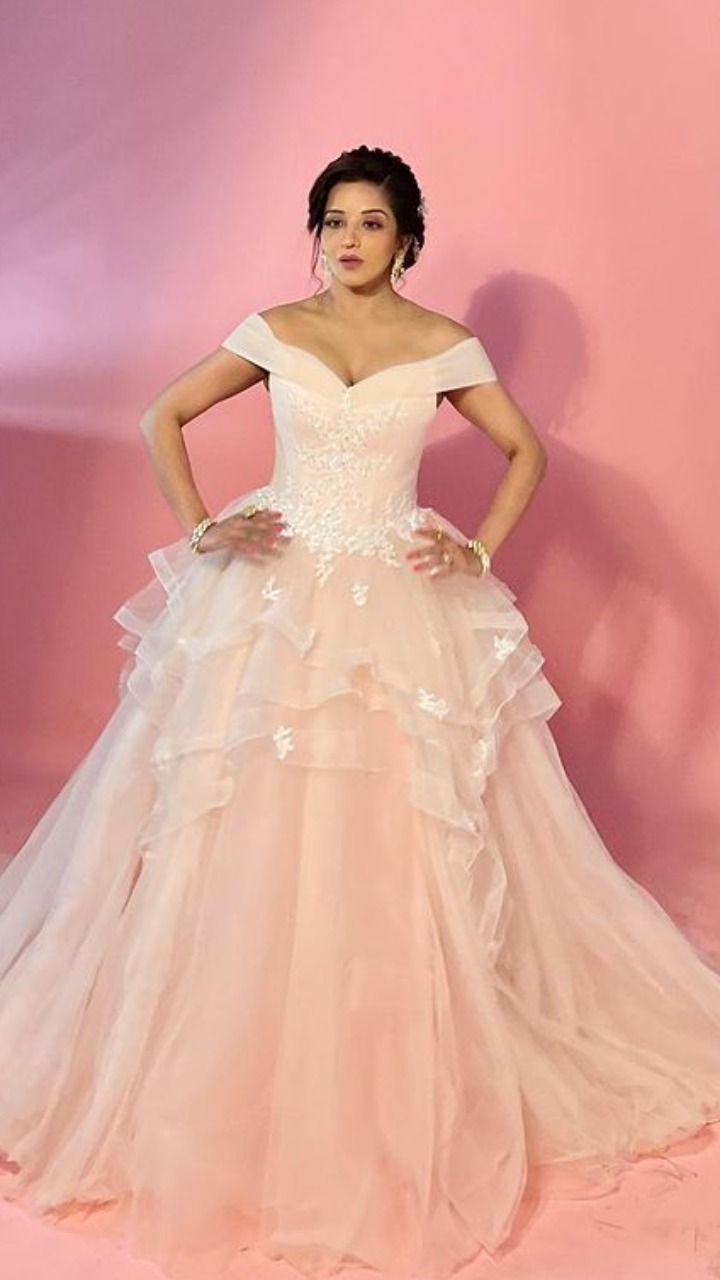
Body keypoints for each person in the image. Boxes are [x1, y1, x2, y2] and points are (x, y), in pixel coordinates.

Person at [1, 143, 720, 1280]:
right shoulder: (273, 330)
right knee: (223, 807)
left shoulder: (442, 345)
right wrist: (203, 527)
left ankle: (376, 1025)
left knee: (398, 821)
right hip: (271, 595)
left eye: (371, 223)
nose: (347, 239)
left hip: (395, 594)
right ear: (316, 232)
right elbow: (162, 416)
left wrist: (477, 547)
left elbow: (526, 451)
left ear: (406, 238)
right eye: (333, 220)